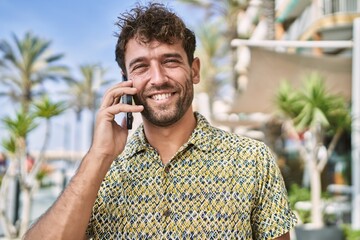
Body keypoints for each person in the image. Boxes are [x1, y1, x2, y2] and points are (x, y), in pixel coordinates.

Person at [23, 2, 297, 239]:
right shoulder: (100, 173)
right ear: (126, 80)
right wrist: (99, 156)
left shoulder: (252, 159)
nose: (157, 78)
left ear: (194, 70)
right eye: (141, 66)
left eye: (170, 61)